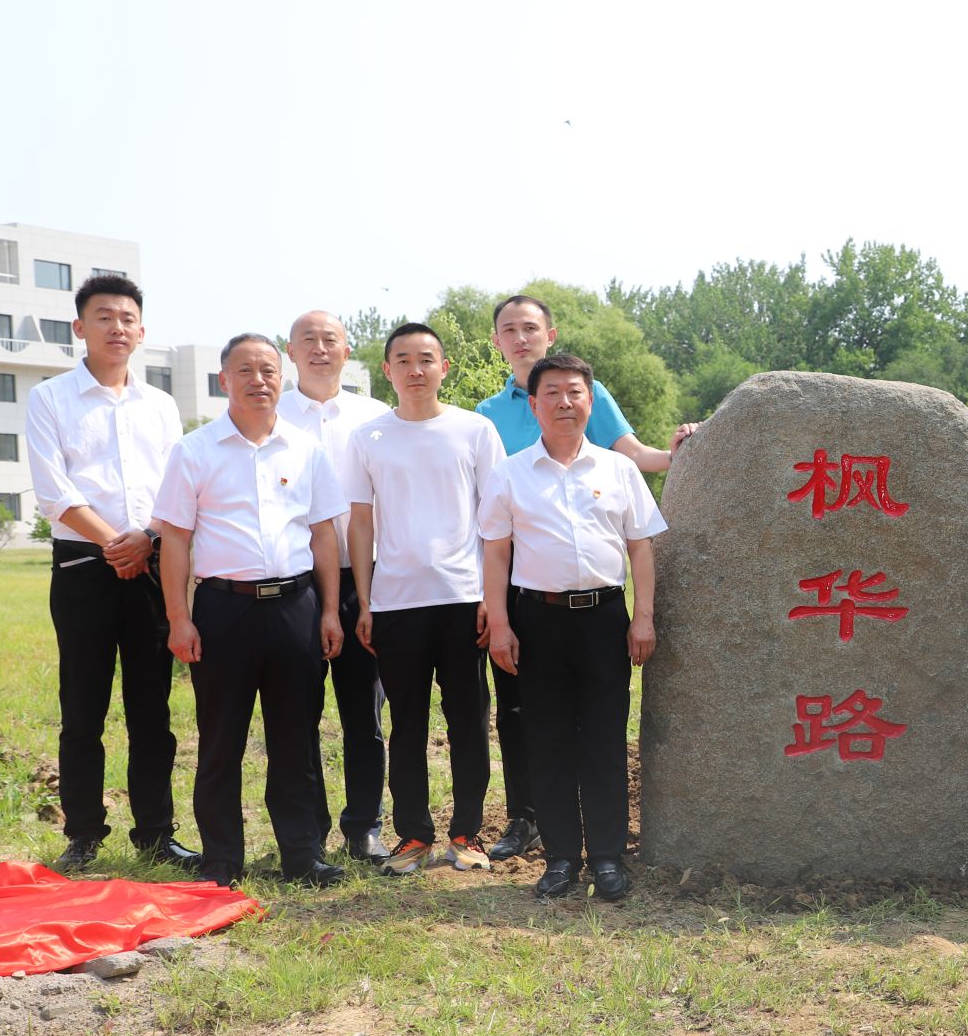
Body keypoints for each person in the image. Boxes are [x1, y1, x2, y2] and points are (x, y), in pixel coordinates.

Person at [475, 294, 696, 863]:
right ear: (534, 404)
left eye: (574, 393)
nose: (564, 402)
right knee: (545, 741)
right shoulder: (507, 471)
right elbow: (495, 554)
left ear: (590, 400)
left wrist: (642, 617)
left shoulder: (617, 470)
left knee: (604, 742)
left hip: (603, 618)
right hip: (535, 617)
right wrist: (499, 623)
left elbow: (640, 546)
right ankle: (560, 859)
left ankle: (607, 857)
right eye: (552, 394)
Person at [152, 333, 347, 888]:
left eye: (268, 370)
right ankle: (221, 860)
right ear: (224, 380)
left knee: (296, 738)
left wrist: (329, 611)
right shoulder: (194, 451)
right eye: (246, 371)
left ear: (281, 379)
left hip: (295, 607)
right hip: (223, 610)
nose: (259, 380)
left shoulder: (306, 450)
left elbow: (324, 535)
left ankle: (302, 856)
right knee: (220, 740)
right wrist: (179, 618)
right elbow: (175, 540)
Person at [23, 273, 198, 873]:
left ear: (141, 332)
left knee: (152, 710)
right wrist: (117, 544)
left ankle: (156, 834)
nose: (116, 328)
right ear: (80, 327)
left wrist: (146, 539)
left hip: (152, 566)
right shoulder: (50, 398)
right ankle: (83, 835)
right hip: (83, 568)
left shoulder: (161, 405)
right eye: (103, 317)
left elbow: (177, 488)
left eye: (127, 319)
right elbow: (55, 492)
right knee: (83, 708)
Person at [349, 324, 507, 878]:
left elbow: (495, 518)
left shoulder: (475, 430)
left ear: (444, 367)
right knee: (407, 724)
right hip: (396, 602)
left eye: (425, 359)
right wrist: (365, 602)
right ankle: (413, 834)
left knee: (468, 720)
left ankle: (467, 833)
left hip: (464, 597)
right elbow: (361, 522)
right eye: (403, 360)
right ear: (387, 370)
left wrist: (491, 596)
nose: (415, 370)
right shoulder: (368, 437)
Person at [278, 310, 393, 862]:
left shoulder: (376, 417)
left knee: (363, 712)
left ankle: (364, 824)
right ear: (290, 351)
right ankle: (308, 832)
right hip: (295, 585)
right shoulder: (270, 414)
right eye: (308, 340)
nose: (320, 348)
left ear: (348, 352)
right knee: (298, 712)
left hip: (364, 581)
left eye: (331, 340)